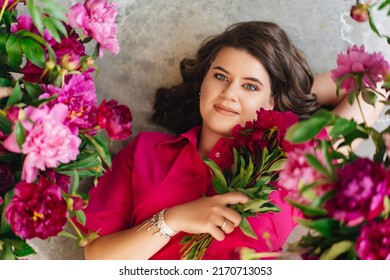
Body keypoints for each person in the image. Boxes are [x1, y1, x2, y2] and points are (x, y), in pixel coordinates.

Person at [80, 21, 384, 260]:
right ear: (203, 83)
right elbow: (96, 259)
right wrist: (174, 219)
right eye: (221, 77)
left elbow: (373, 80)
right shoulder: (146, 150)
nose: (229, 93)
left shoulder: (292, 165)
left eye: (250, 86)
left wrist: (285, 103)